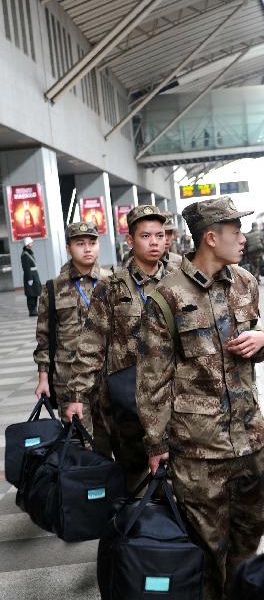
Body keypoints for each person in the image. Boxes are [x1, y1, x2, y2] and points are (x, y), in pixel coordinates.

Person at [136, 196, 264, 600]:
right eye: (236, 230)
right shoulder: (166, 297)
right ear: (211, 237)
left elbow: (257, 335)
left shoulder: (247, 283)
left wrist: (263, 341)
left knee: (252, 529)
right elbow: (151, 378)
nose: (243, 237)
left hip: (248, 436)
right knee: (207, 542)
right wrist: (155, 445)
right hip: (198, 445)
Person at [64, 205, 167, 490]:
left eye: (159, 235)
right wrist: (77, 395)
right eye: (146, 236)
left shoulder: (179, 282)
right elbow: (91, 344)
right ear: (130, 241)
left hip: (174, 396)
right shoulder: (111, 288)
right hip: (127, 400)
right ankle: (135, 528)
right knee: (133, 475)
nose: (155, 242)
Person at [33, 222, 112, 439]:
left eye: (93, 243)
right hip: (67, 376)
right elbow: (44, 337)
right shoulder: (53, 287)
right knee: (77, 441)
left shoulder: (112, 282)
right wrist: (43, 379)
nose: (88, 249)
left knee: (109, 441)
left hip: (106, 374)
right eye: (80, 243)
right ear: (68, 247)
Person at [21, 237, 41, 316]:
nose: (32, 244)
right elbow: (26, 268)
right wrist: (29, 278)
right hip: (30, 276)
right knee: (30, 294)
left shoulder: (29, 253)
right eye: (30, 243)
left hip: (34, 275)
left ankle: (34, 309)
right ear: (27, 244)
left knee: (35, 293)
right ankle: (32, 311)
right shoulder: (25, 255)